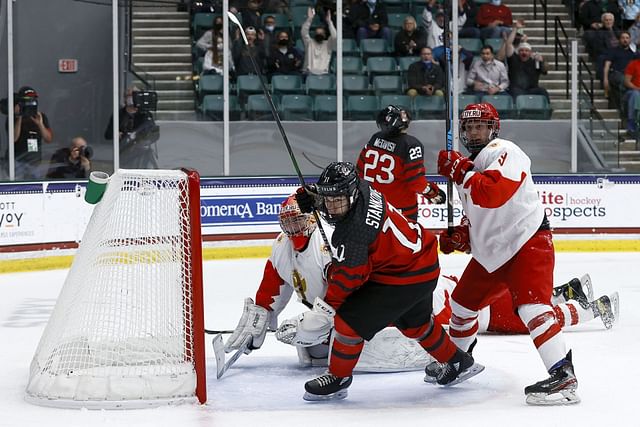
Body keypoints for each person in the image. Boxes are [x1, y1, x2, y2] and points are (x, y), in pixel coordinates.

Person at [430, 102, 580, 406]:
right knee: (461, 304)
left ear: (493, 128)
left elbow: (494, 193)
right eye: (469, 127)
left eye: (480, 126)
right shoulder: (468, 165)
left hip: (526, 241)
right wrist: (462, 235)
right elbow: (479, 214)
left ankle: (563, 376)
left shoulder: (505, 151)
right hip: (493, 251)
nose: (474, 132)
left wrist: (460, 170)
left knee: (532, 309)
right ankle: (459, 361)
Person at [294, 162, 483, 401]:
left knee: (347, 324)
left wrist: (323, 312)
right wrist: (317, 198)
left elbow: (347, 281)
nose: (331, 207)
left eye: (337, 200)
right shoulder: (362, 187)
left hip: (402, 276)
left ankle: (338, 377)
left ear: (351, 194)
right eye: (328, 200)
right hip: (421, 262)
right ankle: (458, 362)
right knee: (416, 324)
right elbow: (336, 196)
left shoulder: (355, 233)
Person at [224, 194, 433, 373]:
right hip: (331, 314)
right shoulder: (281, 247)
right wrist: (261, 315)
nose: (293, 228)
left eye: (297, 220)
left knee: (391, 332)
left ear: (311, 220)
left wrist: (316, 320)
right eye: (287, 222)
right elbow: (272, 286)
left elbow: (348, 292)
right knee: (313, 352)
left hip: (366, 309)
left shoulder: (329, 244)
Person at [433, 274, 619, 333]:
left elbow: (441, 329)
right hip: (489, 287)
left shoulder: (426, 301)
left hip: (493, 313)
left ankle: (599, 307)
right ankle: (567, 291)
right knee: (532, 300)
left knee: (543, 320)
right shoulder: (426, 276)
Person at [355, 105, 445, 222]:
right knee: (405, 240)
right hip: (401, 210)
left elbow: (359, 171)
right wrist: (432, 193)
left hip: (372, 208)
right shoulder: (411, 145)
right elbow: (416, 182)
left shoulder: (375, 138)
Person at [104, 86, 159, 169]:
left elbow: (152, 133)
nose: (132, 98)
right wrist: (116, 133)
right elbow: (107, 135)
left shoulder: (144, 114)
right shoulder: (118, 114)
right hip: (124, 152)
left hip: (141, 154)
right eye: (129, 95)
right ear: (125, 98)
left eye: (135, 95)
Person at [10, 86, 53, 180]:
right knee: (17, 188)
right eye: (27, 100)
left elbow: (48, 139)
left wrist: (40, 124)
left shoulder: (40, 116)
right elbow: (13, 139)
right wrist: (19, 117)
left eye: (33, 100)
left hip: (35, 162)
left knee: (35, 189)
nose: (30, 102)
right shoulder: (13, 117)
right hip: (18, 161)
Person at [602, 31, 638, 107]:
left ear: (630, 40)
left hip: (628, 76)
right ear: (619, 40)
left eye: (627, 38)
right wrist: (605, 79)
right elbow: (607, 65)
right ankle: (622, 108)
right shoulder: (613, 51)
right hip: (616, 74)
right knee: (624, 81)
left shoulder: (633, 54)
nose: (625, 40)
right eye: (623, 38)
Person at [301, 8, 336, 76]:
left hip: (324, 74)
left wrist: (329, 22)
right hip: (309, 73)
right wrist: (310, 19)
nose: (319, 34)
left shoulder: (328, 44)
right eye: (317, 33)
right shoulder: (309, 43)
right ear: (314, 34)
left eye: (321, 33)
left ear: (325, 35)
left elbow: (334, 36)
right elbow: (303, 32)